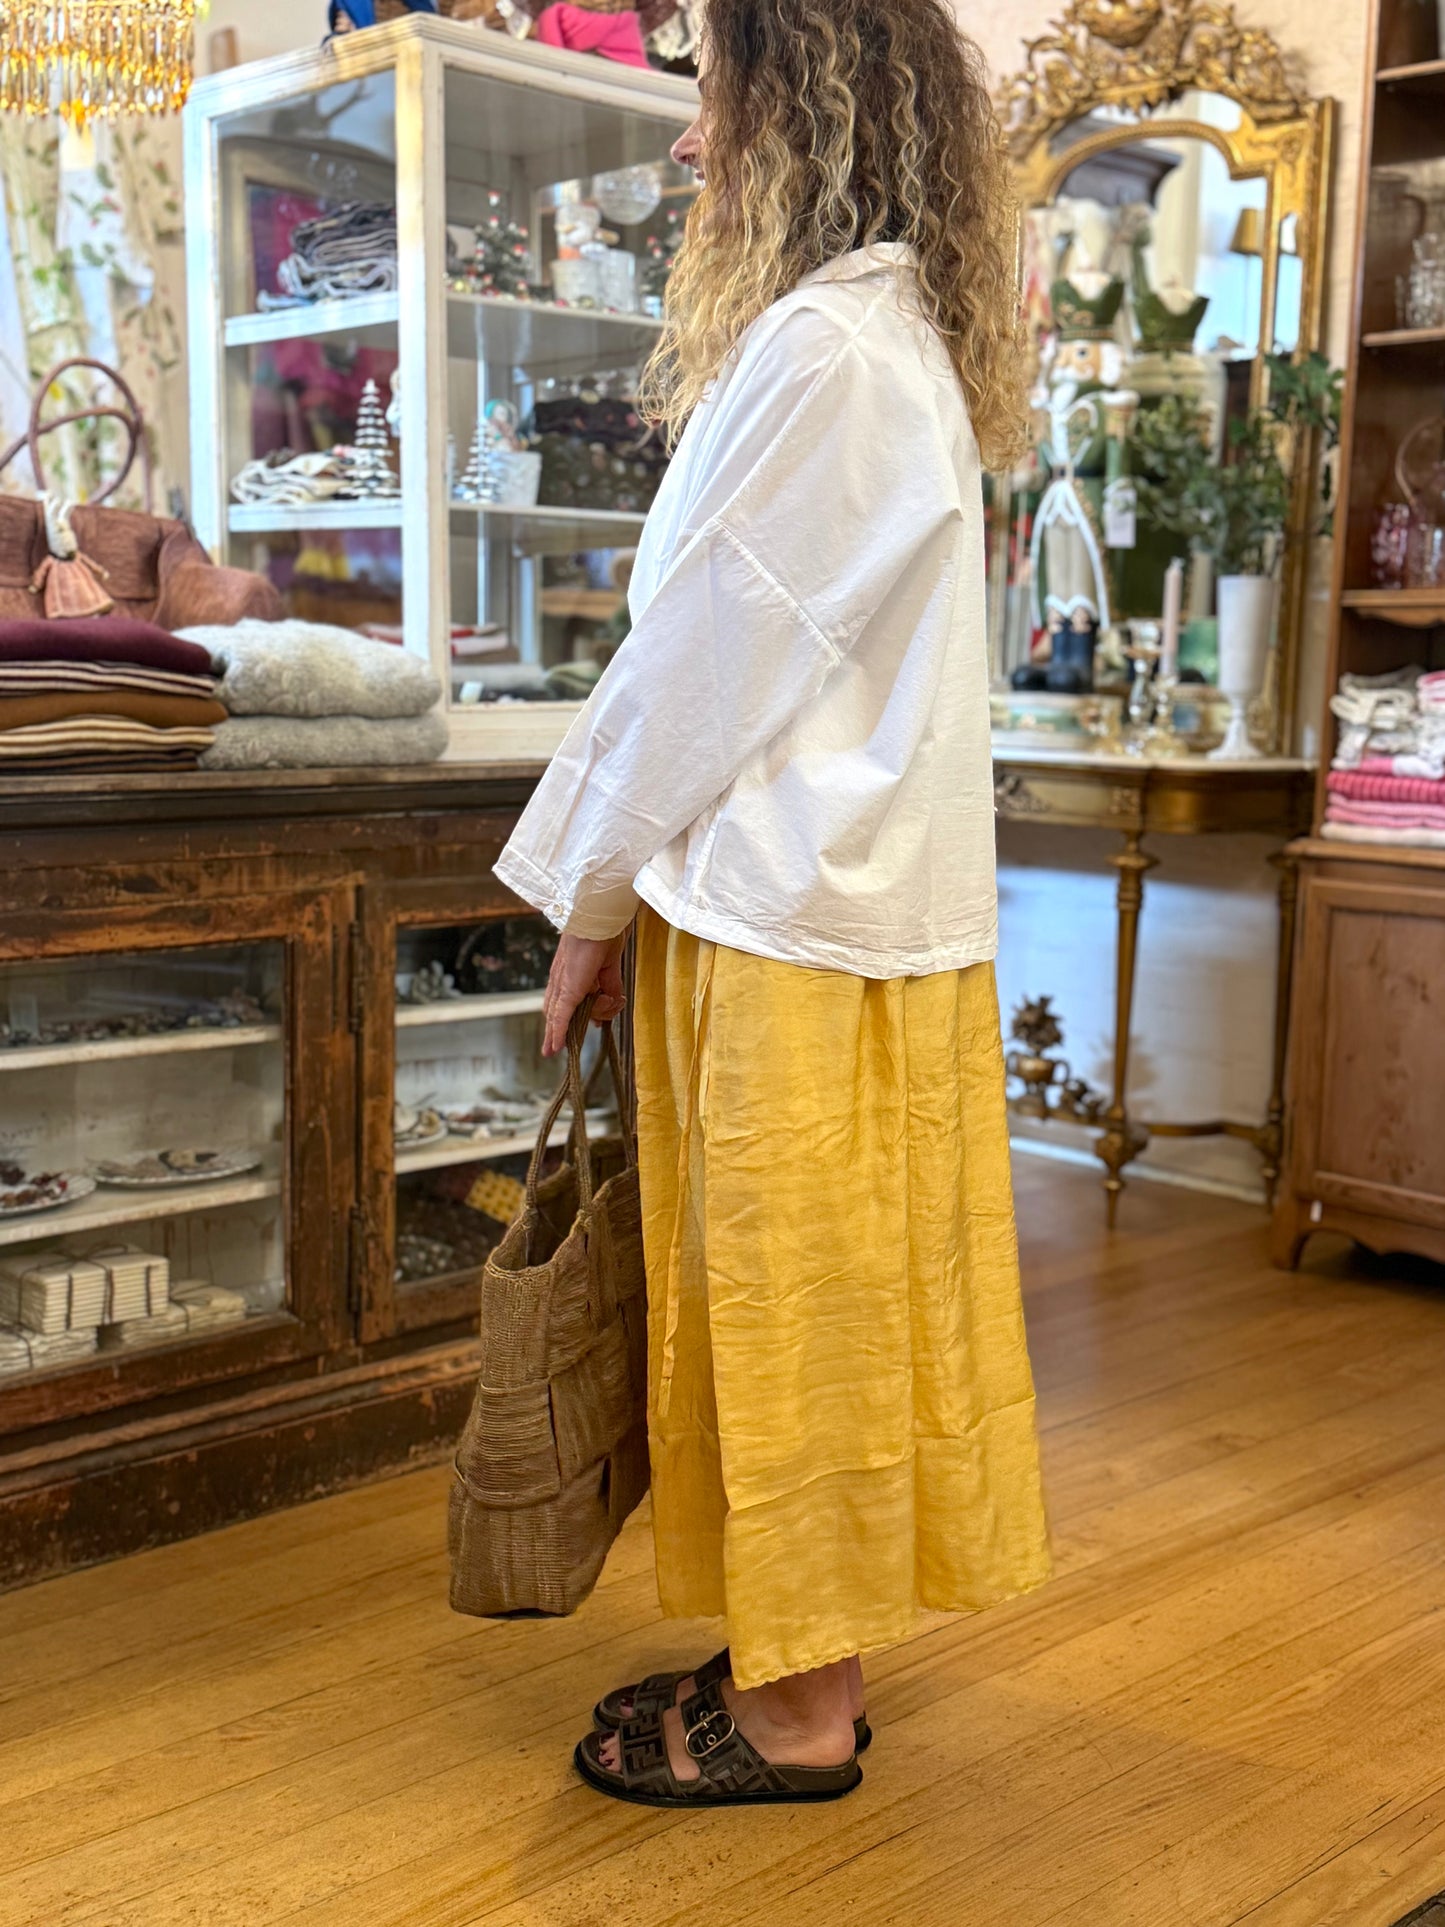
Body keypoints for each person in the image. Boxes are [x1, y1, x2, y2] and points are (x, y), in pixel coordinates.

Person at [494, 0, 1054, 1810]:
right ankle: (799, 1650)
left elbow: (701, 664)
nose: (683, 148)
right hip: (842, 916)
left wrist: (585, 896)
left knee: (786, 1310)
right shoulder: (883, 347)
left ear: (799, 109)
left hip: (789, 922)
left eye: (708, 102)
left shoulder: (827, 350)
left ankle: (801, 1710)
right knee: (819, 1305)